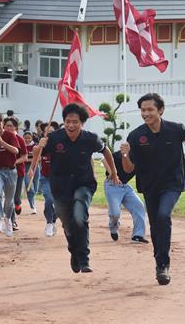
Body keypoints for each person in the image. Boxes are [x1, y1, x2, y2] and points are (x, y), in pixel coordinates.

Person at [120, 93, 185, 285]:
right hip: (149, 185)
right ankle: (159, 262)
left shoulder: (176, 129)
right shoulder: (136, 136)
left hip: (172, 183)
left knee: (163, 216)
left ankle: (164, 265)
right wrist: (125, 155)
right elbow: (129, 169)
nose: (146, 113)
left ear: (160, 110)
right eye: (143, 110)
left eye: (150, 110)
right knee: (155, 225)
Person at [31, 104, 119, 273]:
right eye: (68, 121)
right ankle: (74, 251)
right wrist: (39, 146)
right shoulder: (54, 138)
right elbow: (36, 153)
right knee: (67, 225)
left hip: (83, 184)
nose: (71, 125)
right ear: (64, 122)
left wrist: (113, 172)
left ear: (82, 123)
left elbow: (105, 150)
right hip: (60, 187)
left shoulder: (90, 138)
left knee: (80, 217)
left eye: (75, 122)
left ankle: (84, 259)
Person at [0, 113, 22, 236]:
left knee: (9, 201)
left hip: (11, 171)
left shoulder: (10, 135)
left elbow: (16, 151)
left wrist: (1, 142)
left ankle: (8, 220)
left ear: (2, 124)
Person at [105, 151, 148, 244]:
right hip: (112, 185)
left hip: (125, 186)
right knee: (115, 213)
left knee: (139, 206)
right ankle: (113, 228)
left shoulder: (142, 158)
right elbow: (104, 160)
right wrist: (113, 173)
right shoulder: (123, 154)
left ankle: (138, 235)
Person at [5, 117, 27, 231]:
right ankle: (12, 221)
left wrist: (14, 162)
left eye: (11, 126)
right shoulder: (1, 139)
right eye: (6, 125)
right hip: (5, 173)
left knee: (16, 198)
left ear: (16, 128)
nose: (8, 128)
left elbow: (24, 157)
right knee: (10, 198)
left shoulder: (20, 139)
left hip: (18, 172)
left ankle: (18, 205)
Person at [23, 131, 39, 214]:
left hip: (36, 168)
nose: (27, 140)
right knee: (30, 188)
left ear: (32, 138)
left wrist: (30, 160)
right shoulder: (22, 146)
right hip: (25, 169)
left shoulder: (35, 146)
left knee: (35, 188)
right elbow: (22, 158)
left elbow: (39, 158)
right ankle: (33, 206)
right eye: (25, 138)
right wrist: (29, 159)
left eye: (29, 138)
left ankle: (32, 200)